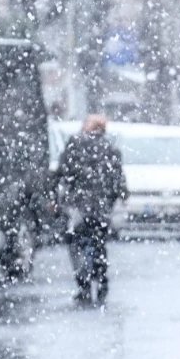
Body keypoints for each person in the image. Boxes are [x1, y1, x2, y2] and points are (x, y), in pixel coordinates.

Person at [55, 115, 128, 306]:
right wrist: (120, 196)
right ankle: (102, 281)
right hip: (102, 208)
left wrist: (60, 195)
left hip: (79, 207)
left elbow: (63, 172)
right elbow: (118, 179)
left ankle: (84, 285)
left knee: (76, 245)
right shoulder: (111, 149)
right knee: (99, 244)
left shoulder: (75, 145)